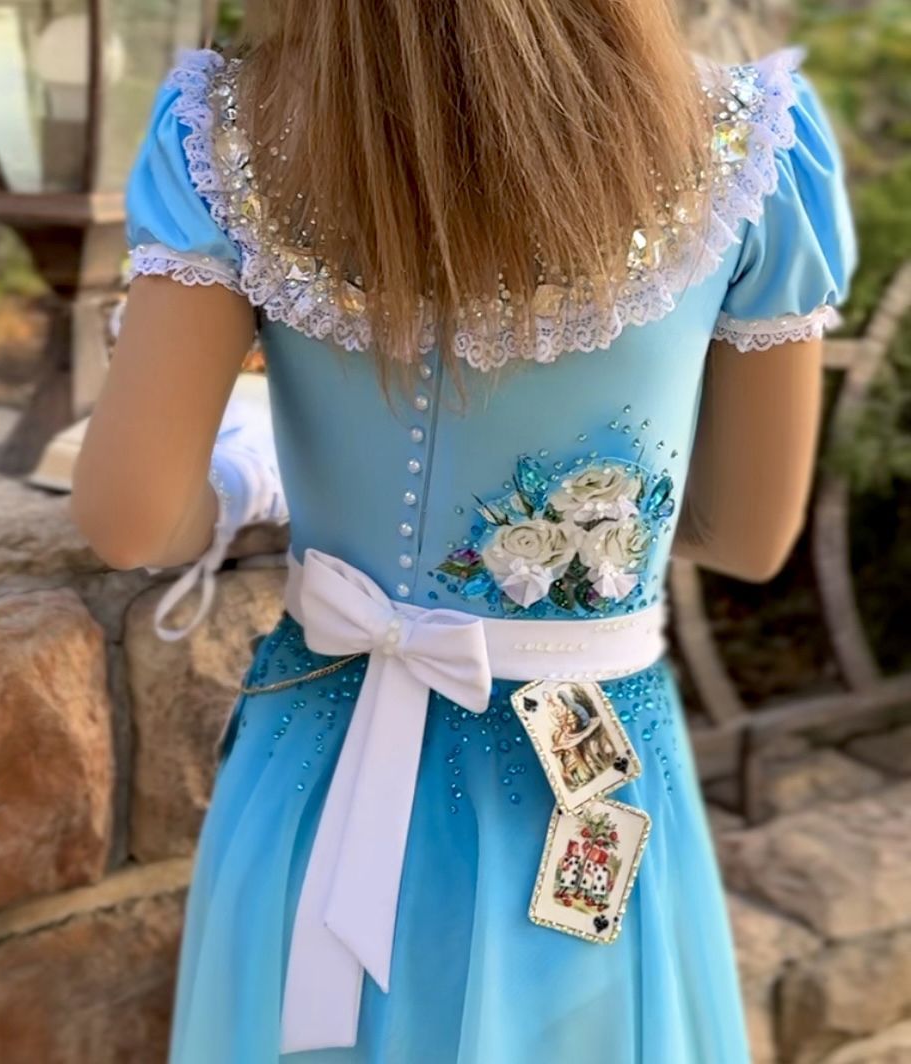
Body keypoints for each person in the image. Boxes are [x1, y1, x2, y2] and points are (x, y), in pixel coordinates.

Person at [70, 0, 855, 1058]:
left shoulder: (225, 133)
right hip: (576, 772)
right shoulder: (750, 142)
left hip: (319, 762)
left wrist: (249, 471)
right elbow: (747, 537)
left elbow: (131, 521)